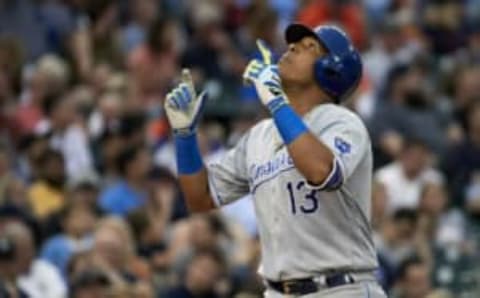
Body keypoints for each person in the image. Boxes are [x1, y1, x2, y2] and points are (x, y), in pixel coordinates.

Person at [164, 23, 387, 297]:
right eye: (293, 44)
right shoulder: (259, 136)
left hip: (340, 288)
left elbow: (322, 172)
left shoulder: (341, 122)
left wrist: (276, 102)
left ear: (331, 68)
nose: (291, 48)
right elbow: (200, 198)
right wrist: (185, 136)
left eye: (308, 48)